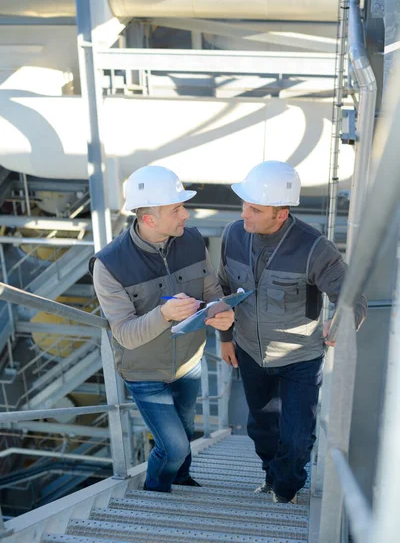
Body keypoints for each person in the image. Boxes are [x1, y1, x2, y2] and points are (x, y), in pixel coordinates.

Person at [218, 161, 367, 503]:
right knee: (262, 429)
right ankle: (271, 478)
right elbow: (223, 289)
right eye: (244, 204)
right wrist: (225, 338)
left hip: (300, 358)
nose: (245, 214)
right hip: (250, 354)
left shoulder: (315, 249)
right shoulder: (232, 235)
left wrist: (342, 322)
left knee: (297, 437)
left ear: (281, 214)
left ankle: (286, 489)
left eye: (255, 209)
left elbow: (351, 297)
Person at [91, 165, 234, 492]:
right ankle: (155, 489)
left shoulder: (192, 240)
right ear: (149, 219)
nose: (186, 214)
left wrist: (221, 312)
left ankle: (181, 479)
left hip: (188, 364)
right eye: (177, 209)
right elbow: (125, 333)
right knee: (175, 446)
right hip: (144, 373)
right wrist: (164, 314)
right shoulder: (108, 265)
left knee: (185, 433)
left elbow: (211, 292)